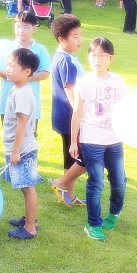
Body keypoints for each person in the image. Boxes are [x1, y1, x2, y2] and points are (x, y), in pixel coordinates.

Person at [72, 37, 128, 241]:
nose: (98, 59)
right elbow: (77, 113)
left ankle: (114, 212)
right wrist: (73, 142)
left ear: (111, 58)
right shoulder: (84, 82)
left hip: (114, 140)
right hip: (91, 139)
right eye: (94, 55)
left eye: (102, 55)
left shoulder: (118, 82)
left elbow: (125, 111)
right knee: (96, 183)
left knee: (119, 181)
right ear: (88, 56)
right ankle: (93, 224)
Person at [0, 48, 42, 240]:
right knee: (25, 186)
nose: (8, 69)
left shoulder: (23, 93)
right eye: (7, 64)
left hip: (23, 149)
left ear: (26, 71)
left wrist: (15, 151)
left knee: (27, 186)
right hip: (19, 147)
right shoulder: (16, 89)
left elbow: (22, 124)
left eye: (12, 66)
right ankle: (29, 219)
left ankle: (30, 227)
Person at [46, 15, 87, 208]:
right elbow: (70, 90)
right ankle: (62, 186)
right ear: (62, 39)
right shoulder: (66, 61)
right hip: (70, 116)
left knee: (71, 156)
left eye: (80, 35)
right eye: (75, 36)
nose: (80, 40)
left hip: (65, 115)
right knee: (80, 156)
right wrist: (81, 114)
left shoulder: (66, 57)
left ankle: (69, 194)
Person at [0, 12, 51, 133]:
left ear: (34, 29)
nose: (21, 30)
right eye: (18, 26)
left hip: (30, 102)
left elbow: (45, 72)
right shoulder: (7, 47)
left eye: (26, 27)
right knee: (9, 138)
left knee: (29, 139)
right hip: (7, 101)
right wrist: (14, 75)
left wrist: (25, 78)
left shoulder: (40, 50)